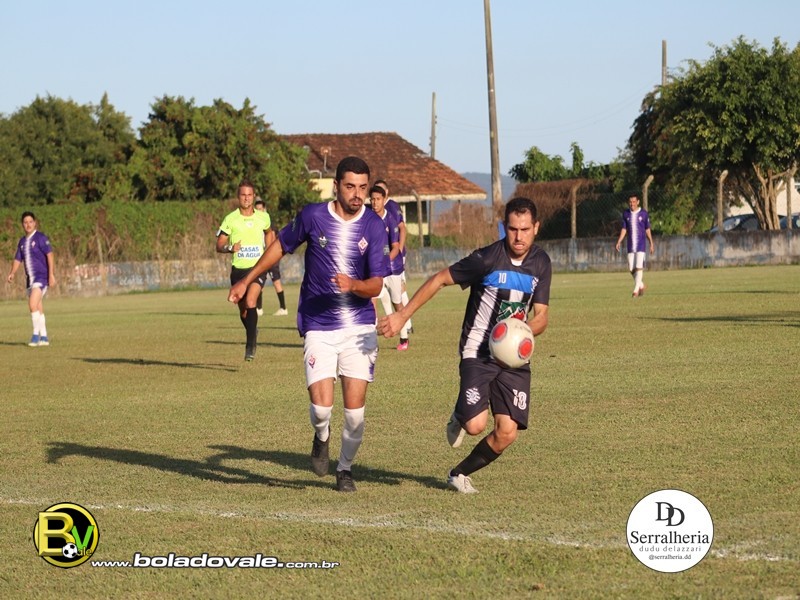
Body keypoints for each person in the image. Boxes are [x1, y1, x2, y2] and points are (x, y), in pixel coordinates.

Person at [229, 156, 390, 492]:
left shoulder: (374, 226)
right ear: (336, 186)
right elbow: (279, 247)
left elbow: (376, 284)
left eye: (363, 187)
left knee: (355, 415)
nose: (357, 194)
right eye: (350, 187)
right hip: (318, 324)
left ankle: (344, 469)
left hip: (359, 327)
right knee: (321, 409)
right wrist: (247, 279)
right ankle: (321, 436)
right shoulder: (313, 216)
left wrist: (353, 285)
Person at [378, 197, 552, 494]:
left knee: (507, 433)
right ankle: (461, 413)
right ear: (505, 227)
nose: (518, 236)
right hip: (478, 351)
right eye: (512, 229)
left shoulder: (541, 263)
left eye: (525, 229)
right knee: (474, 426)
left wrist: (521, 331)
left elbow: (542, 317)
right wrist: (402, 316)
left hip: (514, 357)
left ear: (536, 227)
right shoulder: (486, 259)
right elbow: (439, 280)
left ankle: (458, 474)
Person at [216, 180, 274, 361]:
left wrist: (269, 253)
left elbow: (269, 233)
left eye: (249, 195)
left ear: (254, 196)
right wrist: (230, 248)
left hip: (257, 268)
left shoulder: (263, 217)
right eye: (243, 195)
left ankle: (250, 347)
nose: (247, 198)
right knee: (244, 312)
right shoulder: (230, 219)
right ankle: (252, 330)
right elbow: (219, 244)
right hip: (238, 270)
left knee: (251, 301)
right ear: (238, 197)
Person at [369, 185, 410, 350]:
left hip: (392, 268)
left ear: (384, 200)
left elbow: (395, 247)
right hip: (375, 269)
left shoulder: (391, 220)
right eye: (372, 199)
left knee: (397, 303)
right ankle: (372, 341)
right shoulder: (367, 219)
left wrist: (384, 262)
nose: (375, 203)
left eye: (378, 199)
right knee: (371, 301)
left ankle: (404, 337)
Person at [6, 211, 56, 347]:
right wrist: (12, 273)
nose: (28, 224)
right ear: (22, 225)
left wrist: (51, 274)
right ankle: (44, 337)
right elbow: (18, 259)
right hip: (30, 279)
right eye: (25, 222)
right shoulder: (22, 242)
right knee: (38, 308)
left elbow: (50, 255)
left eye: (30, 222)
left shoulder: (40, 238)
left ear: (35, 223)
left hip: (41, 277)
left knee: (32, 304)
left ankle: (35, 335)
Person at [615, 194, 654, 298]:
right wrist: (619, 241)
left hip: (641, 245)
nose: (632, 204)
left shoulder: (644, 214)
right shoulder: (626, 214)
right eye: (630, 202)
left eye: (633, 202)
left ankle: (635, 291)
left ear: (638, 202)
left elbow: (647, 229)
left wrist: (651, 242)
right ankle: (641, 285)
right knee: (631, 268)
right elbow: (624, 229)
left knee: (639, 267)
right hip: (630, 245)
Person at [254, 198, 288, 317]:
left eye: (260, 208)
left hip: (270, 257)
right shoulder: (256, 223)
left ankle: (283, 308)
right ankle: (259, 308)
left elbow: (272, 238)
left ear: (264, 209)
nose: (259, 211)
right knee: (259, 283)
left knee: (276, 282)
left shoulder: (268, 222)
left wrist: (269, 255)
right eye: (257, 209)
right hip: (261, 256)